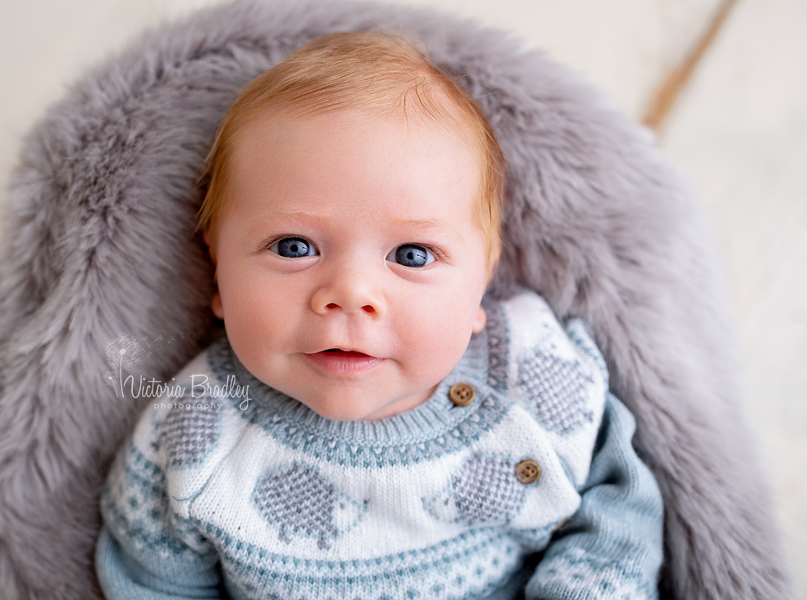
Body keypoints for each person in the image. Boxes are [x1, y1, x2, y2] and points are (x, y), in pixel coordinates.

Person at [96, 32, 663, 599]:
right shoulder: (194, 433)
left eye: (412, 255)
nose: (349, 294)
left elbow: (618, 503)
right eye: (294, 247)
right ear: (216, 271)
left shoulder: (532, 366)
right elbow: (151, 583)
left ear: (479, 289)